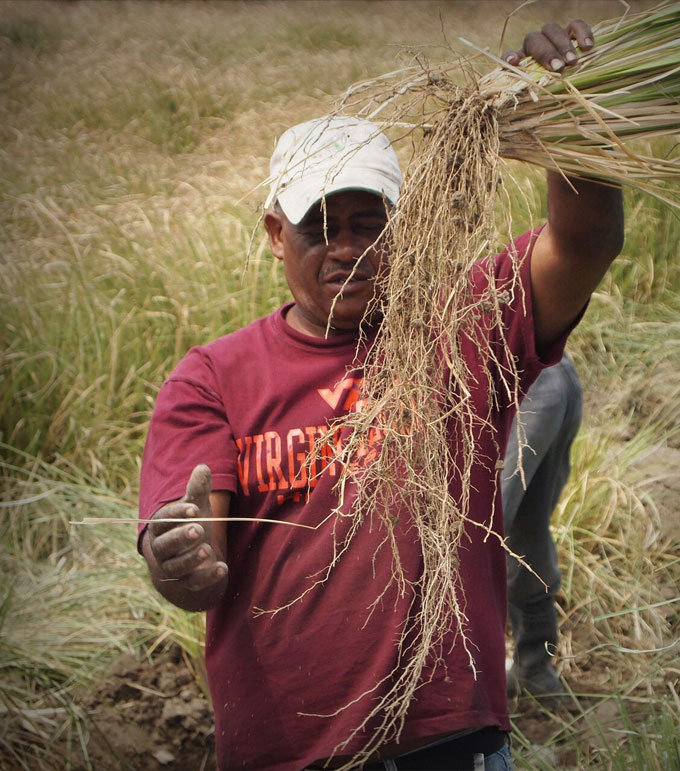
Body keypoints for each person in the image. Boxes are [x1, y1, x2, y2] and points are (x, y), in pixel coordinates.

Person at [138, 20, 623, 771]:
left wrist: (569, 107)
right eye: (317, 228)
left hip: (446, 740)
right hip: (285, 750)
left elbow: (585, 242)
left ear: (403, 227)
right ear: (274, 232)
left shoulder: (461, 331)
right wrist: (180, 560)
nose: (345, 249)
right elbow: (197, 545)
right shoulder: (212, 376)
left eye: (368, 224)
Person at [502, 354, 582, 705]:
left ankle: (451, 686)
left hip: (521, 382)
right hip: (549, 375)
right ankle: (533, 668)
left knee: (474, 536)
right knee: (525, 532)